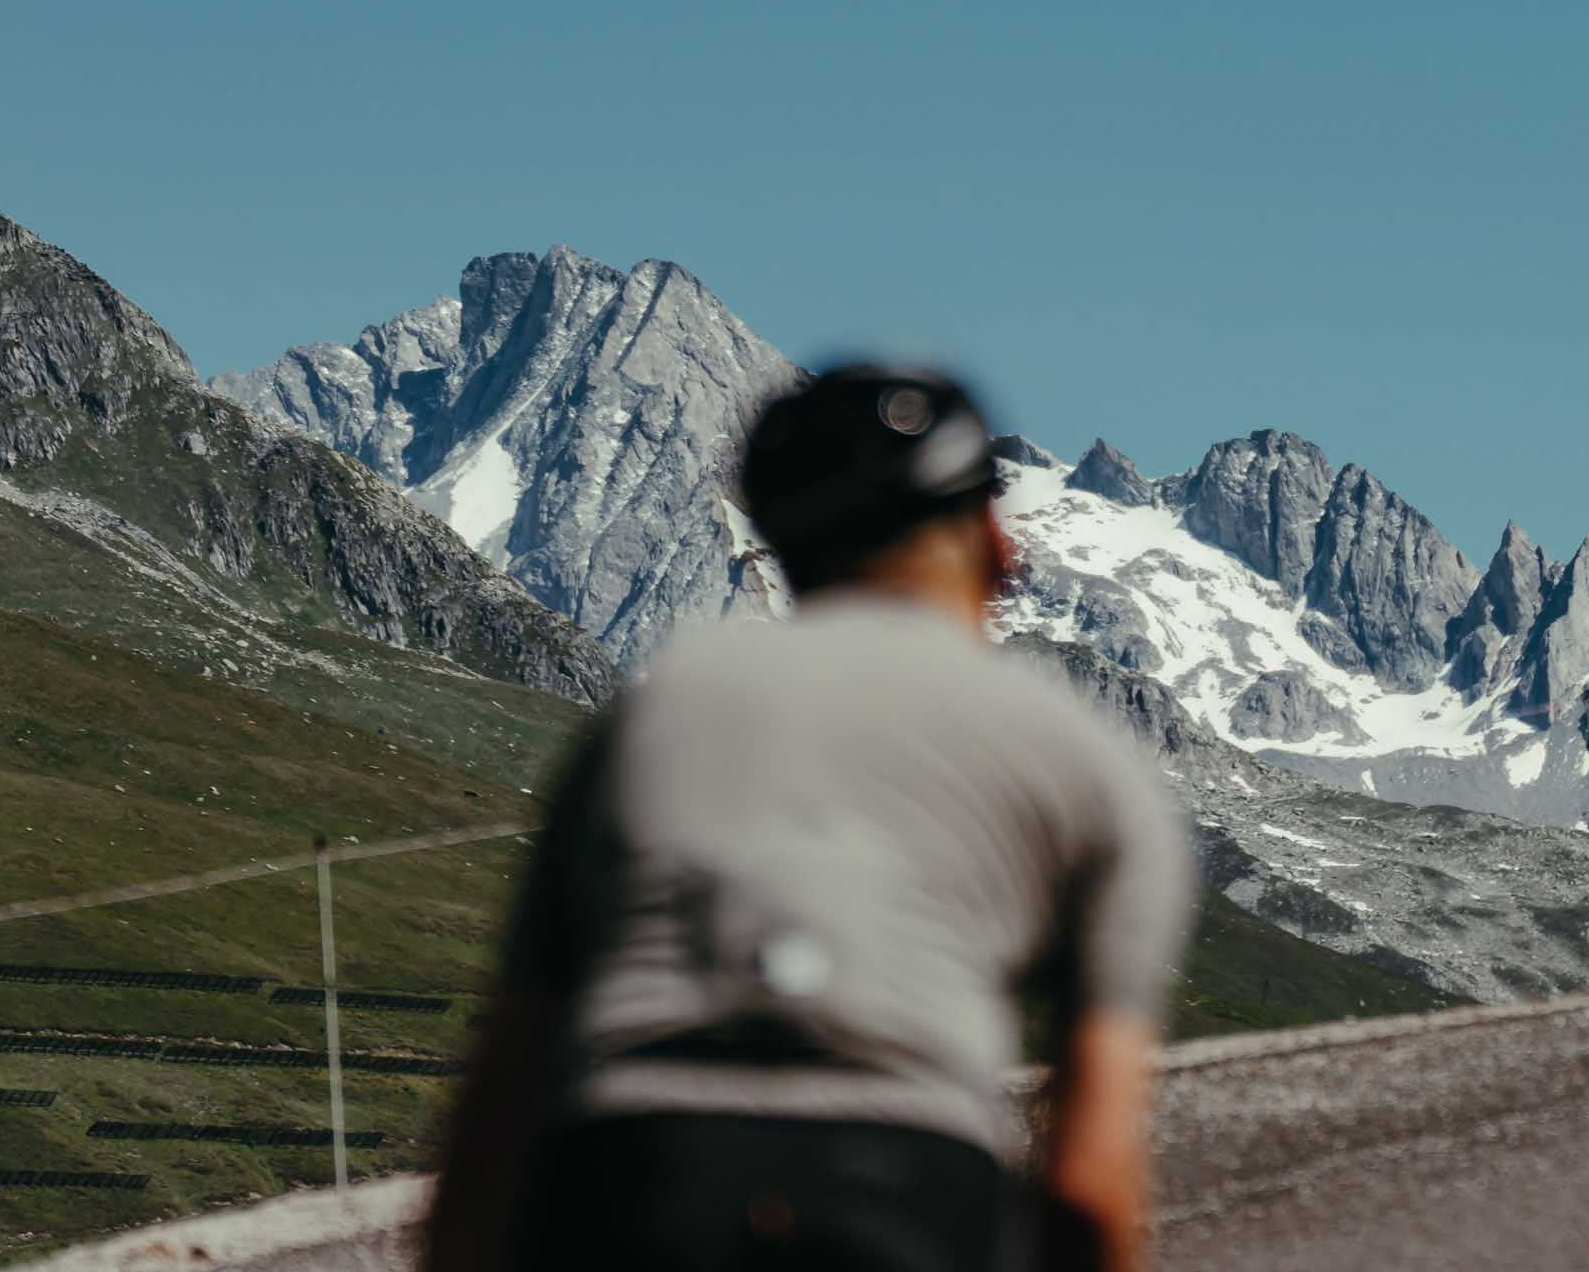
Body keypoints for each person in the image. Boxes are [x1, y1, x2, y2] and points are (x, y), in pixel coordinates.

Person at [424, 362, 1196, 1272]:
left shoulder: (654, 712)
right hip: (908, 1170)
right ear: (995, 539)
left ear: (781, 548)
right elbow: (1088, 1185)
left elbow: (498, 1108)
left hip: (633, 1168)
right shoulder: (1086, 761)